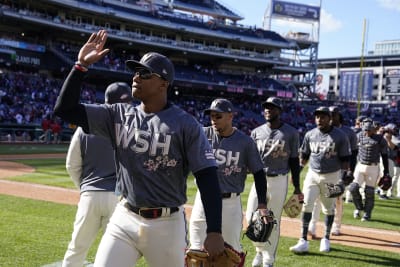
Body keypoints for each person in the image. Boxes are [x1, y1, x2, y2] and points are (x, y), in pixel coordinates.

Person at [53, 30, 225, 267]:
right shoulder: (118, 115)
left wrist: (214, 230)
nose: (136, 77)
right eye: (135, 71)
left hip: (167, 224)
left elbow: (207, 178)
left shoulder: (186, 124)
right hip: (124, 216)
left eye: (145, 73)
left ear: (164, 83)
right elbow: (65, 109)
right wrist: (80, 66)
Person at [62, 82, 133, 267]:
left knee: (76, 248)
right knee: (116, 253)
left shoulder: (84, 128)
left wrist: (85, 187)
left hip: (89, 196)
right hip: (118, 198)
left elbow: (72, 164)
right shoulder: (133, 130)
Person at [189, 98, 268, 253]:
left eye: (218, 116)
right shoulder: (202, 135)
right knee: (196, 251)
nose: (214, 120)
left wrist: (262, 205)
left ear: (230, 116)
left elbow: (258, 173)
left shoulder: (245, 142)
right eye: (211, 116)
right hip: (203, 200)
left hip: (230, 204)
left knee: (230, 252)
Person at [245, 97, 302, 267]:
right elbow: (250, 159)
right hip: (259, 179)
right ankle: (259, 251)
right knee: (251, 217)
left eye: (272, 107)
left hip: (279, 180)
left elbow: (293, 161)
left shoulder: (291, 133)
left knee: (273, 220)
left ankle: (268, 260)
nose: (268, 110)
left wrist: (297, 187)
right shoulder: (256, 132)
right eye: (266, 107)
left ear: (279, 111)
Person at [289, 107, 351, 254]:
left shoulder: (340, 136)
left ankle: (326, 238)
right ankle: (303, 240)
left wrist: (342, 178)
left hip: (332, 175)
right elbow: (304, 156)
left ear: (330, 119)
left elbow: (345, 160)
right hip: (313, 174)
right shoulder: (310, 134)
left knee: (328, 209)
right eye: (317, 117)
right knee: (306, 205)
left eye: (323, 117)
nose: (319, 119)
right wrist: (297, 173)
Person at [308, 106, 358, 237]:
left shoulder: (348, 132)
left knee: (337, 200)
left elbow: (353, 154)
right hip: (319, 172)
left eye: (333, 114)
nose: (330, 116)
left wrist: (350, 171)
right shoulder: (320, 132)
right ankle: (312, 226)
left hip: (338, 171)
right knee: (316, 200)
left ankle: (336, 226)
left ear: (337, 116)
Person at [349, 118, 389, 222]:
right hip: (360, 165)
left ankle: (367, 213)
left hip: (373, 167)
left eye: (369, 130)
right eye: (365, 130)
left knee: (369, 192)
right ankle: (359, 207)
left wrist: (386, 172)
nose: (366, 132)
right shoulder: (358, 136)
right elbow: (353, 153)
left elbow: (384, 156)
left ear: (374, 129)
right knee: (353, 188)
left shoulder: (380, 139)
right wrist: (350, 168)